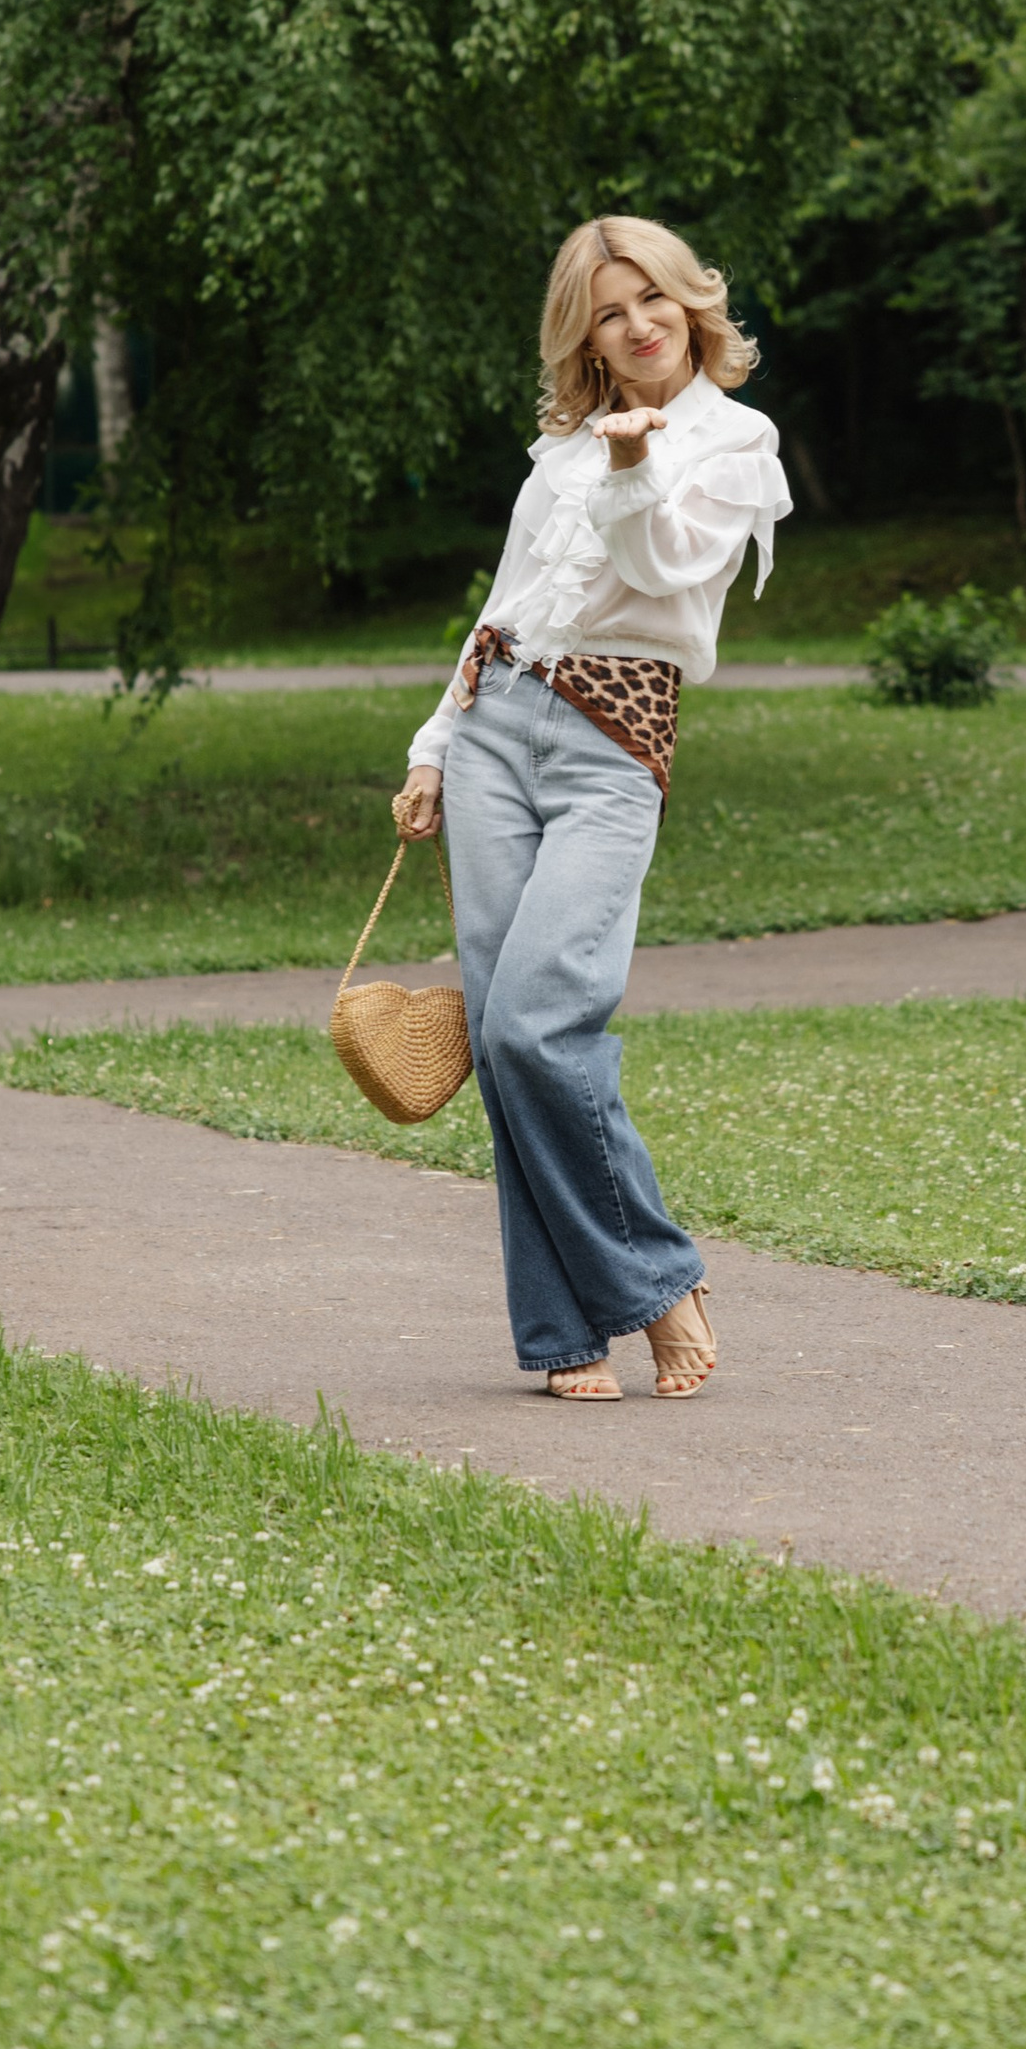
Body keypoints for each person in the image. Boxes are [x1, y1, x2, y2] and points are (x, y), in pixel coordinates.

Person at [392, 216, 792, 1399]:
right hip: (493, 727)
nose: (639, 324)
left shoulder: (737, 441)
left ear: (691, 302)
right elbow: (503, 602)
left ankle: (659, 1282)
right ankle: (562, 1332)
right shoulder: (562, 445)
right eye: (609, 313)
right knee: (502, 1047)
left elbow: (670, 566)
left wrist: (630, 468)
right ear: (587, 338)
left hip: (613, 742)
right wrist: (433, 745)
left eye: (653, 298)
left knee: (535, 1024)